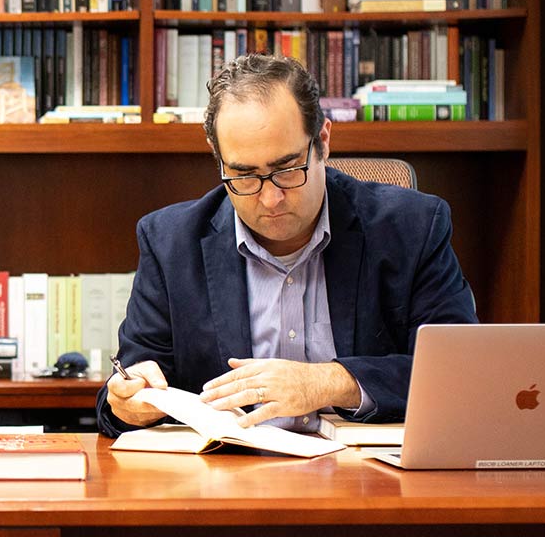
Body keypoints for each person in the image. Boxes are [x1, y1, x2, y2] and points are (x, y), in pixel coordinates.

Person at [98, 53, 477, 437]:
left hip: (366, 478)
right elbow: (125, 389)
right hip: (227, 479)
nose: (270, 199)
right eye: (244, 176)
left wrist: (332, 382)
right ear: (220, 163)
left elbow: (460, 372)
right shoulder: (170, 243)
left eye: (287, 169)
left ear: (322, 143)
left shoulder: (411, 228)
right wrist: (129, 404)